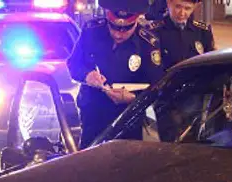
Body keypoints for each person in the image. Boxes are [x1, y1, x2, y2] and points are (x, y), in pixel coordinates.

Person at [66, 0, 165, 147]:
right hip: (93, 113)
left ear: (137, 20)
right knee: (89, 164)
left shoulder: (148, 43)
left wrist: (133, 98)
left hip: (127, 118)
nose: (118, 34)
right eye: (114, 27)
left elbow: (157, 86)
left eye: (126, 29)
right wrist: (87, 76)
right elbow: (73, 64)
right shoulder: (92, 31)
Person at [144, 0, 215, 71]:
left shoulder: (203, 31)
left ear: (195, 7)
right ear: (168, 3)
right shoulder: (153, 31)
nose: (182, 13)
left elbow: (210, 63)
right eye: (178, 7)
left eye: (187, 8)